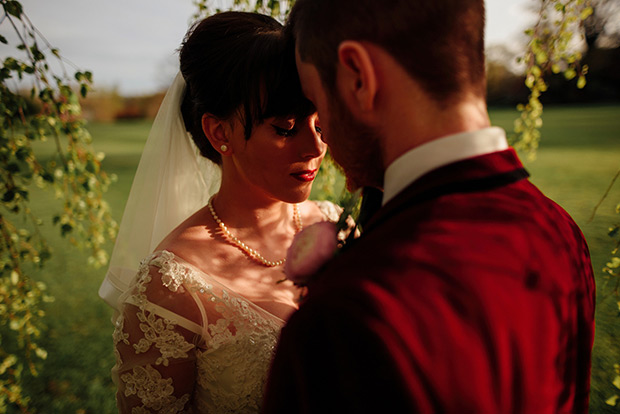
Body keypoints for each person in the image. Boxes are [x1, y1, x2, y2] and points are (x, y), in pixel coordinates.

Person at [263, 1, 596, 413]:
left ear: (358, 77)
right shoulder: (559, 229)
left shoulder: (351, 311)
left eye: (317, 101)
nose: (323, 135)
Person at [99, 11, 335, 413]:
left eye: (320, 122)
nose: (314, 147)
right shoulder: (171, 288)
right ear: (219, 132)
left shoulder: (334, 225)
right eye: (285, 127)